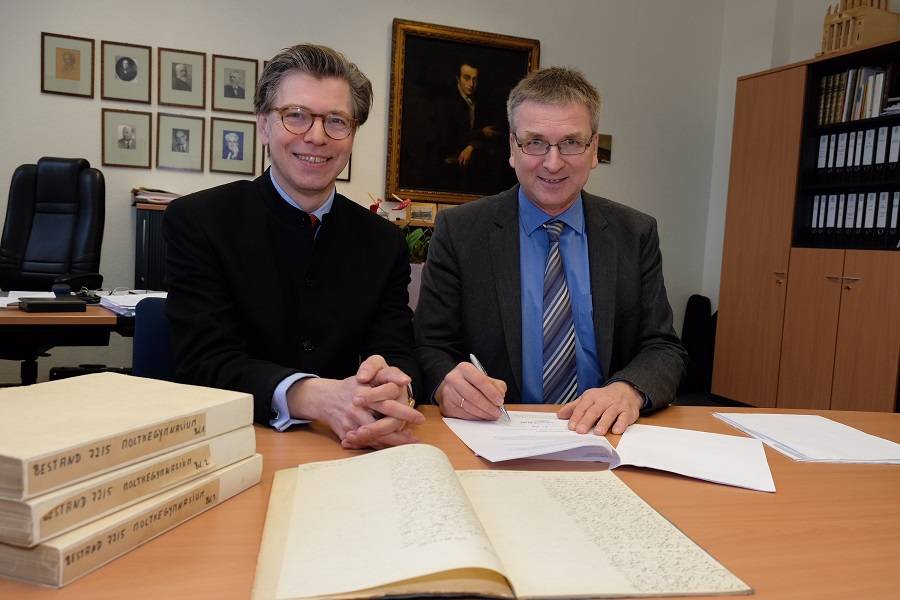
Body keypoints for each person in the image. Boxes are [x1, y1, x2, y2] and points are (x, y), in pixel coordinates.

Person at [164, 43, 423, 450]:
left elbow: (396, 351)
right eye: (296, 116)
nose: (317, 136)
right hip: (232, 445)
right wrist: (312, 395)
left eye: (337, 121)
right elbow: (203, 361)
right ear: (264, 126)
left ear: (352, 135)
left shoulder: (382, 240)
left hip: (347, 449)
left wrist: (392, 391)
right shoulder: (200, 220)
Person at [415, 67, 686, 436]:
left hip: (603, 436)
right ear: (512, 148)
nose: (553, 162)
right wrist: (447, 384)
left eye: (572, 142)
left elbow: (662, 346)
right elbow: (430, 344)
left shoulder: (634, 232)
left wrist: (629, 390)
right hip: (496, 434)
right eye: (535, 142)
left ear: (593, 150)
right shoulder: (461, 230)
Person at [433, 62, 506, 193]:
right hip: (448, 163)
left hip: (476, 164)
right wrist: (481, 133)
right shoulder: (447, 103)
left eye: (475, 79)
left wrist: (471, 146)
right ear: (458, 78)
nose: (471, 84)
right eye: (466, 78)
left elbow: (495, 132)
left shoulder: (481, 101)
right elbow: (449, 137)